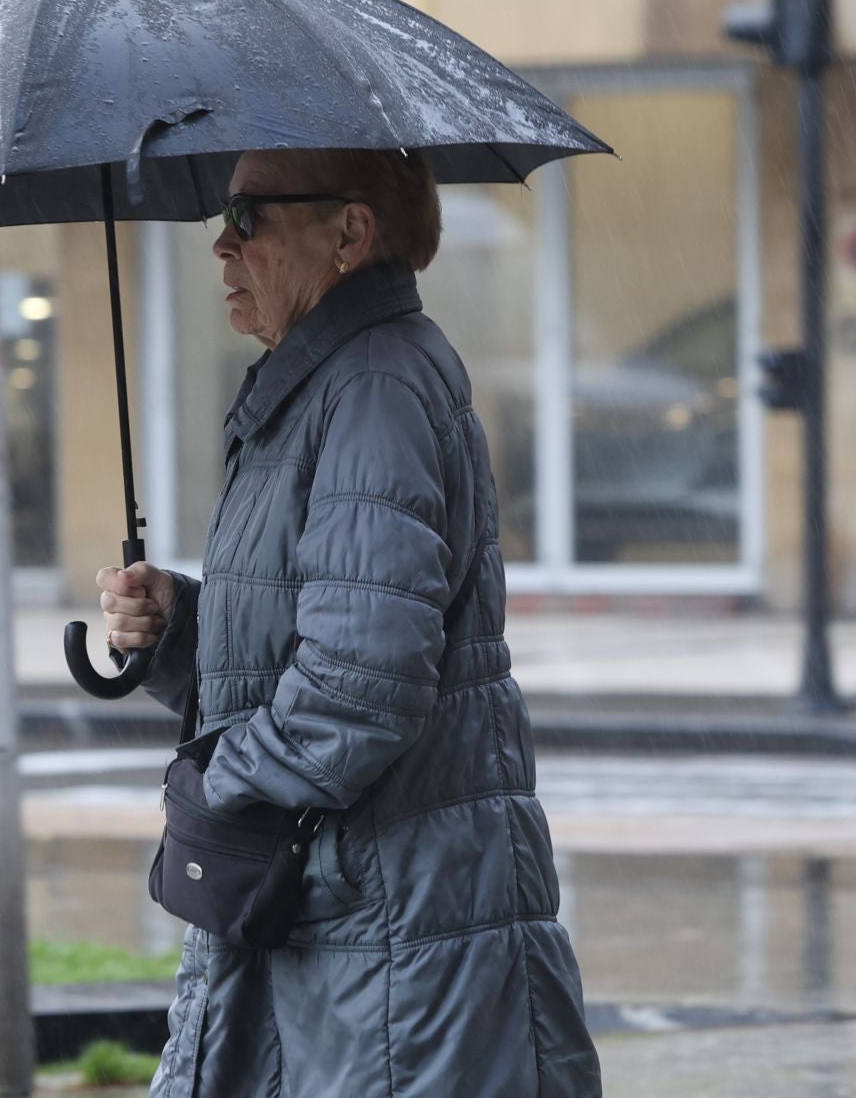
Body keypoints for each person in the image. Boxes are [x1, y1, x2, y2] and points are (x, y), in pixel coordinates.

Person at [98, 149, 601, 1097]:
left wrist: (212, 787)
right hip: (347, 917)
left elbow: (359, 690)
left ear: (350, 233)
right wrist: (181, 628)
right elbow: (320, 641)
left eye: (248, 218)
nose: (222, 246)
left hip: (391, 934)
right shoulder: (327, 384)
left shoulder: (374, 389)